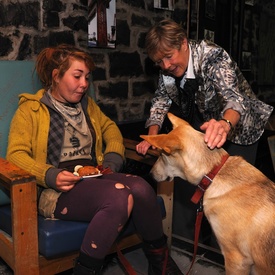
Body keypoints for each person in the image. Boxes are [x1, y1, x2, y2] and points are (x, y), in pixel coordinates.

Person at [6, 44, 183, 275]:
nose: (84, 85)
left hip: (95, 177)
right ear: (56, 76)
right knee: (119, 196)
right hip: (56, 189)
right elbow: (15, 155)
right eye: (77, 76)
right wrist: (51, 175)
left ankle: (162, 267)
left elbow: (110, 129)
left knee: (142, 188)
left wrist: (111, 159)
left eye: (87, 78)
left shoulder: (87, 106)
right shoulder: (31, 110)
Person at [136, 19, 273, 165]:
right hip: (205, 122)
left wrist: (224, 124)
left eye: (169, 56)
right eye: (159, 62)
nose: (166, 66)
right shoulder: (167, 69)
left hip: (240, 126)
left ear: (183, 43)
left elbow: (234, 98)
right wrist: (152, 138)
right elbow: (161, 100)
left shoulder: (212, 55)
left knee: (231, 182)